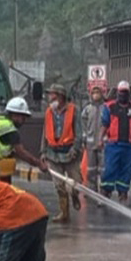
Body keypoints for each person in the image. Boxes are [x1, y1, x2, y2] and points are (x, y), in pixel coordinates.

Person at [101, 81, 131, 204]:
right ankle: (106, 191)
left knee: (126, 170)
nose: (123, 94)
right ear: (117, 92)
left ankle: (123, 193)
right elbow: (105, 124)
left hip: (130, 146)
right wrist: (100, 139)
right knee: (110, 168)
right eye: (121, 92)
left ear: (129, 93)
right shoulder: (110, 107)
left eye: (125, 92)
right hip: (113, 145)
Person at [42, 84, 82, 223]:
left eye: (52, 94)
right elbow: (44, 133)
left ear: (60, 96)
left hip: (70, 153)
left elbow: (79, 133)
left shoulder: (73, 110)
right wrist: (43, 152)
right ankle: (64, 213)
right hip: (53, 154)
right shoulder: (49, 112)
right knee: (59, 185)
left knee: (75, 183)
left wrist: (75, 149)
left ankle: (74, 195)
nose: (49, 97)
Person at [81, 85, 106, 190]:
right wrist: (84, 138)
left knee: (103, 169)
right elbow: (83, 124)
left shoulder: (106, 108)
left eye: (97, 92)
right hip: (90, 143)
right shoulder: (87, 109)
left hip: (103, 143)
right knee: (91, 169)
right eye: (93, 92)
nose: (96, 95)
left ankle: (104, 190)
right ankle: (92, 189)